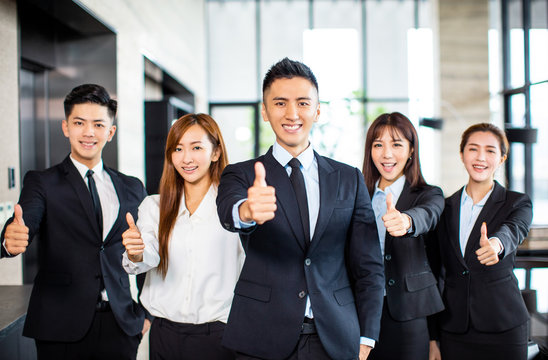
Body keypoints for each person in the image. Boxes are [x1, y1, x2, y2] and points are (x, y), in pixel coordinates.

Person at [216, 57, 385, 360]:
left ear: (317, 111)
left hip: (334, 337)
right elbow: (230, 211)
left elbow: (369, 266)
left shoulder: (349, 178)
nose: (292, 114)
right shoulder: (241, 174)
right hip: (261, 337)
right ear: (265, 111)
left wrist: (366, 337)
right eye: (280, 103)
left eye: (303, 103)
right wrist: (247, 212)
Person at [0, 84, 149, 359]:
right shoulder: (42, 182)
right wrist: (9, 240)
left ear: (110, 132)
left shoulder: (132, 187)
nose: (89, 132)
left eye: (98, 124)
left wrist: (145, 315)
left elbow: (145, 251)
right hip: (60, 328)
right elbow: (26, 220)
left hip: (120, 325)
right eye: (79, 123)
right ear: (66, 127)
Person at [122, 113, 244, 360]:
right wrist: (136, 252)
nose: (186, 158)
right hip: (164, 335)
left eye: (196, 147)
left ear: (215, 152)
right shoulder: (153, 207)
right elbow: (149, 255)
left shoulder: (235, 209)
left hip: (220, 337)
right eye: (178, 149)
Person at [430, 123, 532, 360]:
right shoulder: (444, 208)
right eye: (473, 149)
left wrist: (497, 244)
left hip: (504, 327)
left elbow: (514, 229)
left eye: (490, 151)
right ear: (462, 154)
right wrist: (432, 336)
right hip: (454, 329)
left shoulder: (517, 202)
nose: (481, 157)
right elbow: (435, 274)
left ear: (502, 158)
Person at [361, 112, 444, 360]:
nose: (387, 154)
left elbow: (426, 215)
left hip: (410, 317)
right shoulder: (358, 197)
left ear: (411, 151)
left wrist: (406, 222)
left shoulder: (428, 195)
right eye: (378, 145)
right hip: (361, 315)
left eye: (396, 144)